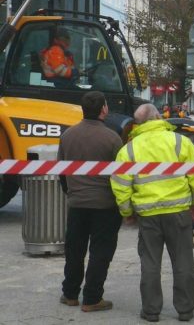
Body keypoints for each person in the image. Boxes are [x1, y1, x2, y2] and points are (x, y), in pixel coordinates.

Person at [110, 104, 194, 323]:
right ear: (158, 117)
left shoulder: (129, 149)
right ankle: (185, 310)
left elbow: (120, 184)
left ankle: (151, 310)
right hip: (179, 212)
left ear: (138, 123)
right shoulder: (180, 142)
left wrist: (127, 211)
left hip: (148, 215)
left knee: (150, 262)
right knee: (183, 260)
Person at [57, 90, 123, 312]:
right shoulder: (113, 138)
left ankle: (70, 294)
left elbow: (61, 170)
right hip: (105, 205)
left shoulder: (68, 136)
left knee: (74, 250)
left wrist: (71, 192)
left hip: (77, 204)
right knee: (100, 251)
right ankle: (92, 298)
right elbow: (120, 174)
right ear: (104, 109)